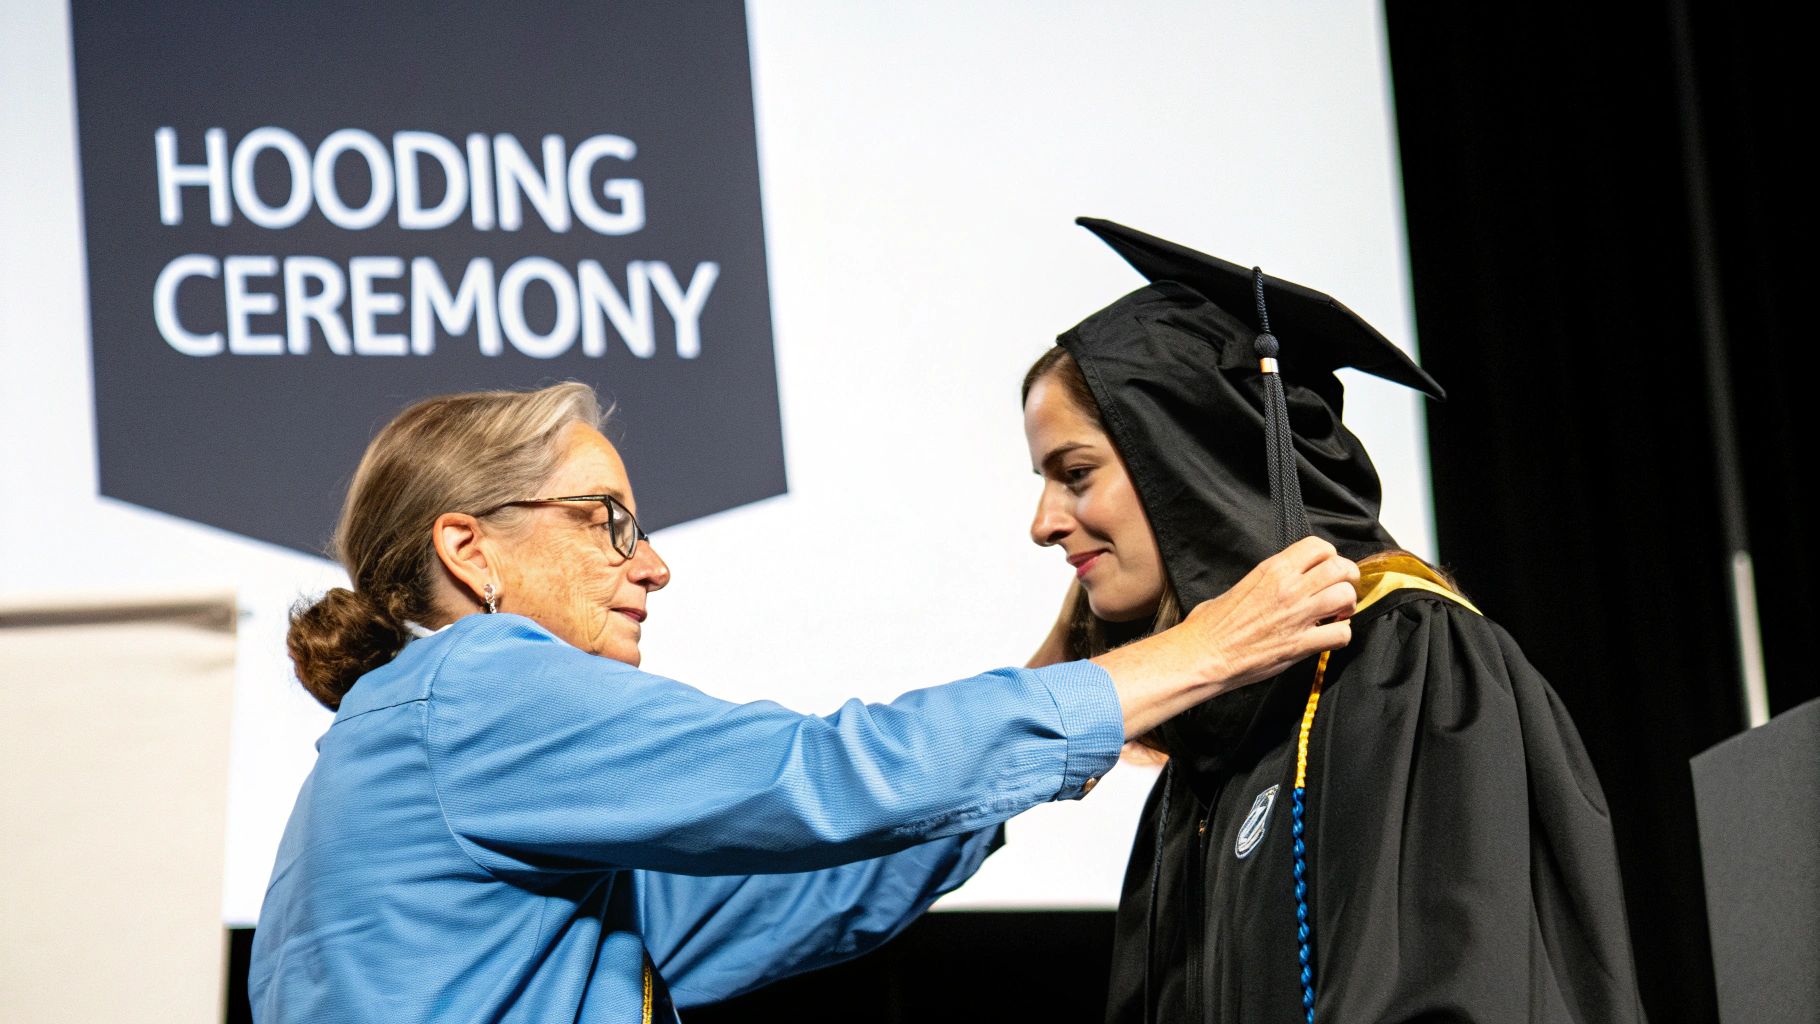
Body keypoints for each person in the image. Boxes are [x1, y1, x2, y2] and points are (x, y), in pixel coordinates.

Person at [248, 381, 1360, 1022]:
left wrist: (1060, 689)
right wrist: (1199, 651)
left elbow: (796, 893)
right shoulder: (475, 684)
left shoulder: (415, 744)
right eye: (607, 520)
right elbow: (821, 778)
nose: (652, 566)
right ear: (468, 548)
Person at [1021, 219, 1647, 1023]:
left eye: (1075, 474)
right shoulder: (1203, 764)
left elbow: (1457, 990)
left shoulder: (1408, 665)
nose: (1043, 522)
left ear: (1192, 452)